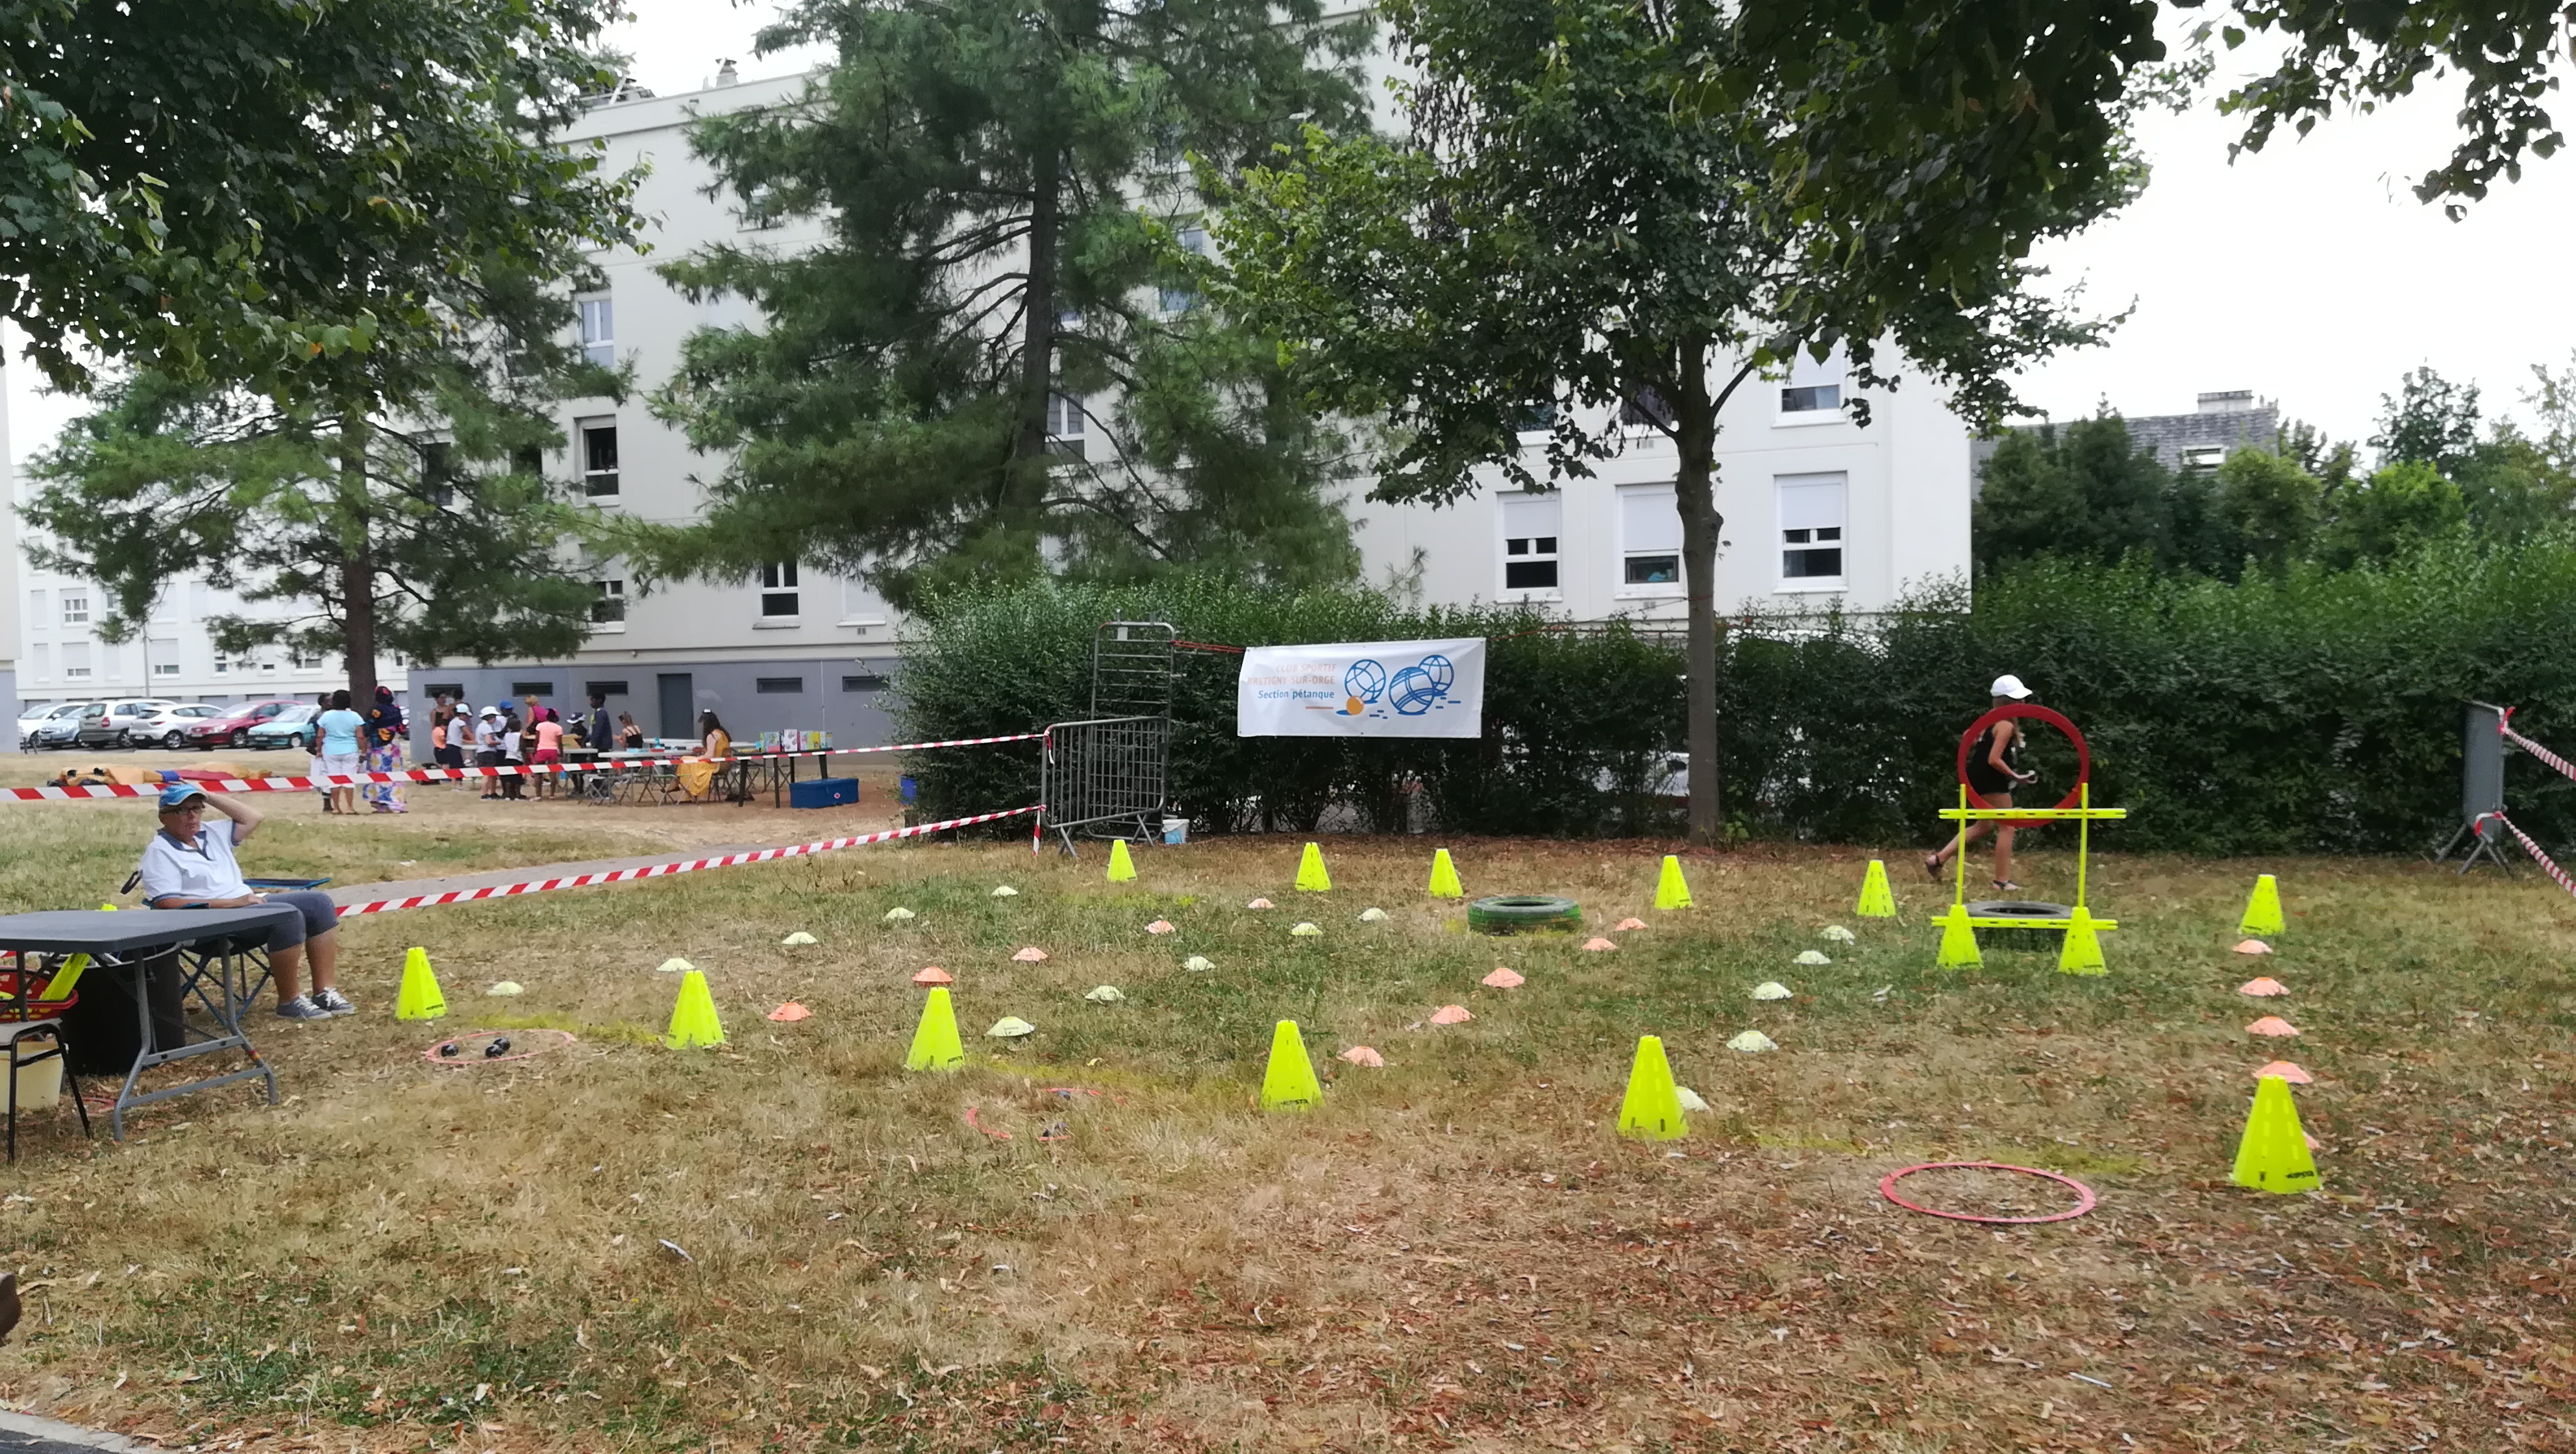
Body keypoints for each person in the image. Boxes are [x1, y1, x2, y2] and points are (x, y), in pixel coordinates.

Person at [138, 785, 353, 1020]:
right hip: (206, 923)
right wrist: (231, 903)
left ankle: (324, 992)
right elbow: (167, 904)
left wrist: (206, 794)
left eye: (197, 809)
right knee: (287, 915)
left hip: (244, 906)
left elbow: (254, 817)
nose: (192, 816)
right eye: (182, 811)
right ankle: (290, 1001)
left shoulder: (211, 832)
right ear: (164, 816)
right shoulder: (159, 852)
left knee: (319, 903)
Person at [1927, 674, 2042, 894]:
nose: (2024, 704)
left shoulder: (1988, 721)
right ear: (2008, 703)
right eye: (2019, 700)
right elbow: (1994, 759)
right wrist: (2016, 777)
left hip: (1976, 776)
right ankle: (2001, 881)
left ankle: (1937, 860)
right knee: (2008, 826)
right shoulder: (2005, 726)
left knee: (1983, 826)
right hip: (1991, 778)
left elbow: (1967, 738)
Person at [315, 689, 367, 816]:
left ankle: (336, 808)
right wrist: (364, 751)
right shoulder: (355, 716)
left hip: (331, 750)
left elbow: (320, 735)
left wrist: (319, 750)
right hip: (350, 750)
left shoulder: (326, 716)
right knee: (349, 779)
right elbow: (360, 736)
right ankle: (350, 807)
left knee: (334, 779)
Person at [363, 685, 407, 813]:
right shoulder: (395, 709)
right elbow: (401, 728)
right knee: (395, 772)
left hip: (378, 745)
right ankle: (396, 803)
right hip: (393, 745)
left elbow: (369, 725)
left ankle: (380, 801)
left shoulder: (376, 710)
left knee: (378, 771)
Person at [531, 706, 564, 798]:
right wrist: (561, 752)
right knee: (553, 772)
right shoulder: (558, 728)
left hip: (541, 750)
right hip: (553, 750)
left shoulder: (540, 726)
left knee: (538, 773)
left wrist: (535, 750)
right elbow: (560, 743)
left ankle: (538, 795)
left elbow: (536, 740)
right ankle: (552, 795)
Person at [310, 691, 334, 811]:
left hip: (329, 747)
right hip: (324, 748)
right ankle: (327, 803)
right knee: (325, 774)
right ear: (324, 703)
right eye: (330, 700)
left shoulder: (326, 715)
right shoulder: (321, 716)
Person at [475, 705, 506, 798]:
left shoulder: (481, 726)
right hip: (487, 752)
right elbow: (489, 742)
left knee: (491, 774)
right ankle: (484, 794)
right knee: (488, 774)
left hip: (482, 752)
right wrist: (500, 742)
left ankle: (491, 793)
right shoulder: (486, 727)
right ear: (490, 717)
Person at [499, 710, 527, 800]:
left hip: (508, 757)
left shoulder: (507, 735)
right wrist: (525, 757)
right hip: (517, 758)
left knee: (508, 777)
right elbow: (522, 747)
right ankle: (517, 794)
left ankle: (507, 794)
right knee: (517, 777)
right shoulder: (519, 735)